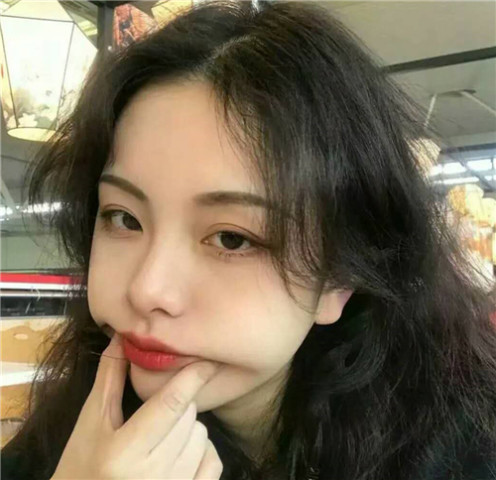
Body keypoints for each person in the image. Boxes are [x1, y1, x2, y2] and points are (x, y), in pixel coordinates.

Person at [2, 1, 496, 479]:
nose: (146, 290)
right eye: (124, 218)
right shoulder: (63, 445)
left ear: (339, 276)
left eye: (232, 239)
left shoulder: (467, 447)